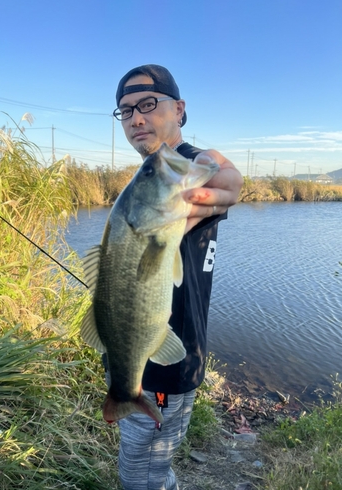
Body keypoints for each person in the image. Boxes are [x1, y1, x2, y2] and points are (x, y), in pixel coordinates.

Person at [111, 64, 243, 490]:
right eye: (126, 111)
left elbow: (219, 173)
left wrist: (226, 178)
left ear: (179, 109)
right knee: (139, 465)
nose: (136, 118)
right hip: (137, 356)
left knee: (144, 474)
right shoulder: (147, 182)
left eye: (148, 104)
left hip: (171, 363)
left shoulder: (178, 169)